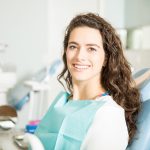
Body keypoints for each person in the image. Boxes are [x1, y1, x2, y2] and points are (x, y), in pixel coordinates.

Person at [34, 13, 142, 150]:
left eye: (91, 49)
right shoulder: (61, 102)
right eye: (73, 46)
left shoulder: (108, 115)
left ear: (106, 59)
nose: (80, 56)